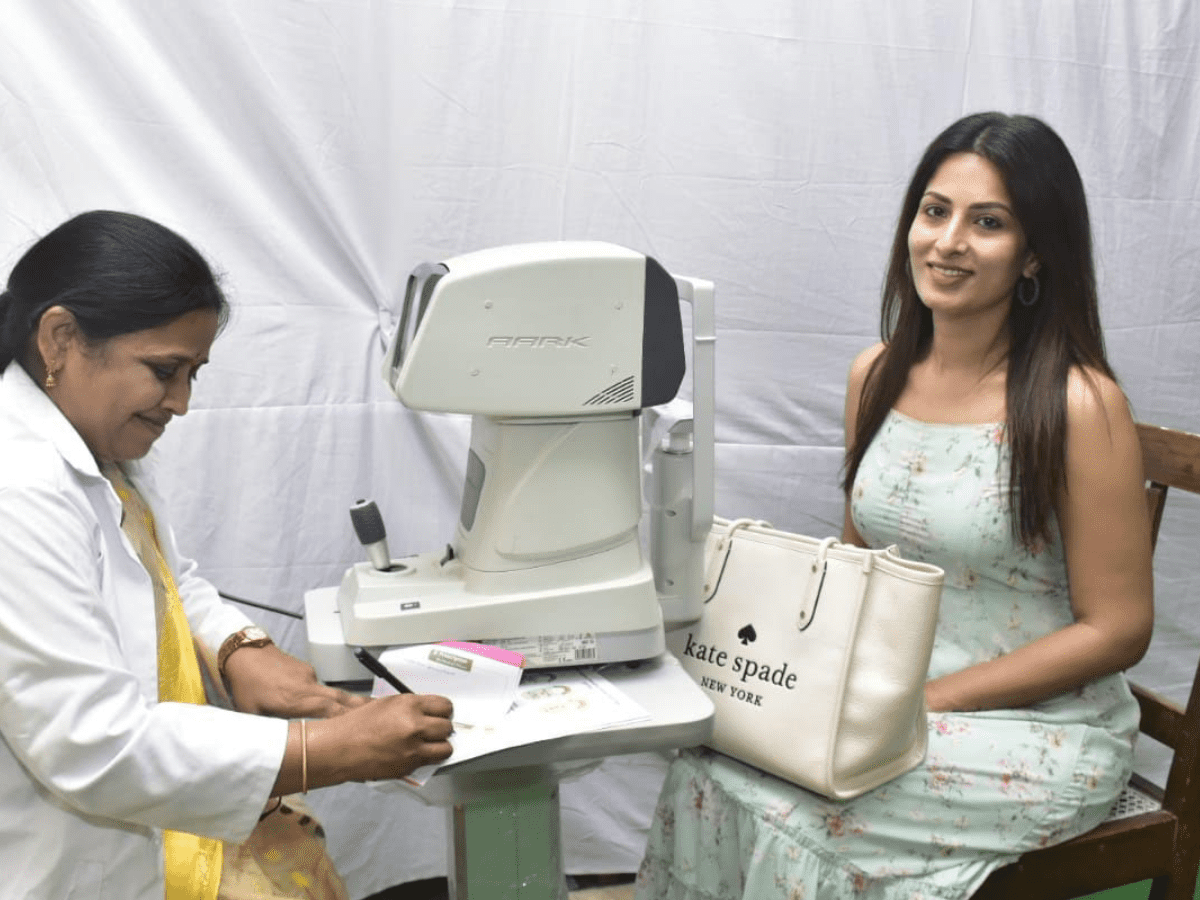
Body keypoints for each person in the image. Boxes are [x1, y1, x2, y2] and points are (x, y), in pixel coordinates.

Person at [636, 112, 1154, 899]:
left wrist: (930, 700)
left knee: (804, 810)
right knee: (709, 760)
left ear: (1034, 254)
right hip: (890, 700)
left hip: (1041, 726)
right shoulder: (875, 375)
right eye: (934, 211)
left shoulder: (1080, 405)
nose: (948, 242)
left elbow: (1119, 628)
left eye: (988, 223)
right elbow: (861, 567)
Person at [0, 210, 456, 900]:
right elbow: (92, 744)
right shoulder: (18, 487)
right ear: (60, 338)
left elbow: (162, 577)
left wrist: (240, 648)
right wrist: (327, 751)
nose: (181, 403)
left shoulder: (92, 443)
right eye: (164, 371)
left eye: (193, 374)